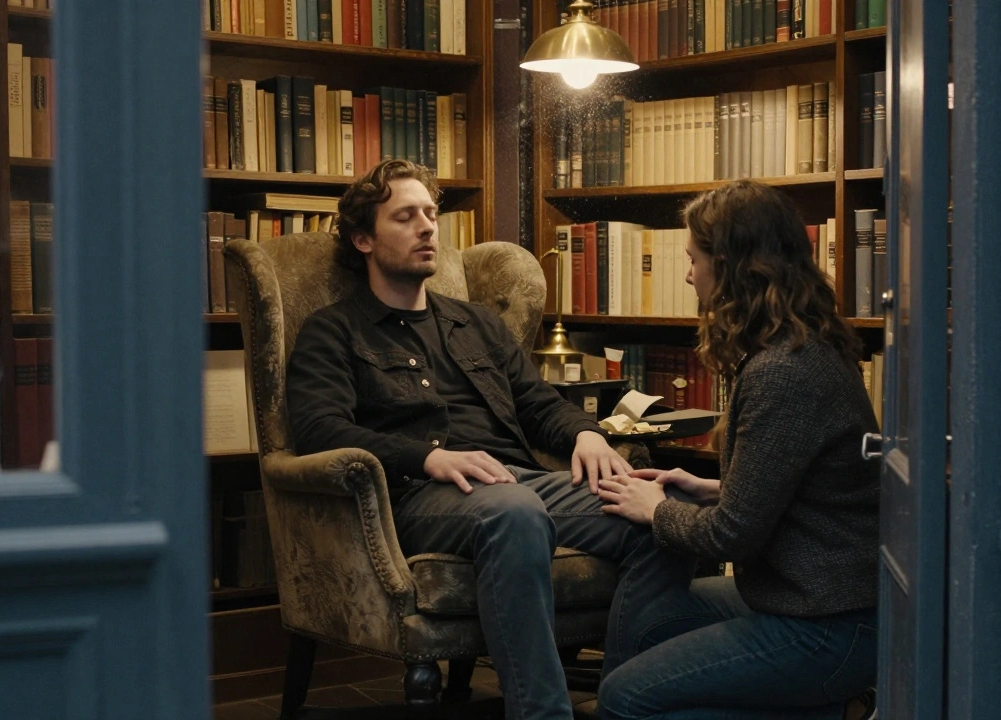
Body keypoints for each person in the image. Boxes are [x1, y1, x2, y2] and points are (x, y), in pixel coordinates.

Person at [285, 159, 697, 720]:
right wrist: (427, 457)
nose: (428, 227)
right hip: (416, 497)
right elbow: (318, 429)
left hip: (518, 479)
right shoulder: (334, 330)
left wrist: (585, 433)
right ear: (363, 238)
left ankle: (622, 704)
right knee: (514, 511)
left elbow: (537, 402)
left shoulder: (476, 322)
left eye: (431, 214)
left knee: (661, 514)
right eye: (406, 217)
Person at [595, 180, 881, 720]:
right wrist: (711, 487)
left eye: (692, 258)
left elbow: (733, 535)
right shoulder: (801, 345)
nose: (687, 273)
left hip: (828, 623)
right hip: (805, 599)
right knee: (648, 624)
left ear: (726, 266)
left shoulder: (784, 371)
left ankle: (832, 709)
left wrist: (655, 510)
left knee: (624, 698)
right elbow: (806, 488)